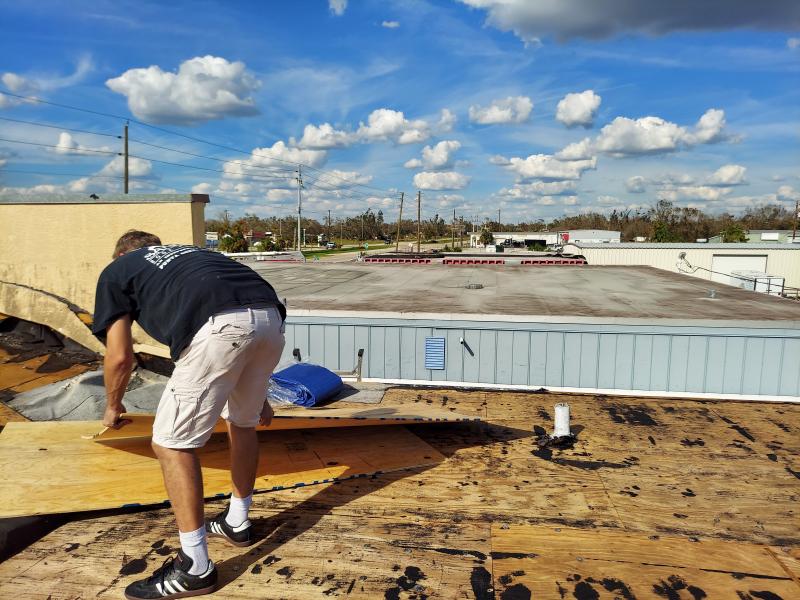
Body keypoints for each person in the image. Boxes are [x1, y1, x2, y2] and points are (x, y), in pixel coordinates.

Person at [91, 230, 286, 599]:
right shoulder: (190, 256)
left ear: (120, 254)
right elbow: (251, 319)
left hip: (220, 328)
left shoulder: (117, 271)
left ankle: (195, 567)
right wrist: (258, 395)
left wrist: (113, 405)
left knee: (171, 444)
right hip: (271, 320)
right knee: (242, 424)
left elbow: (119, 356)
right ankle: (237, 523)